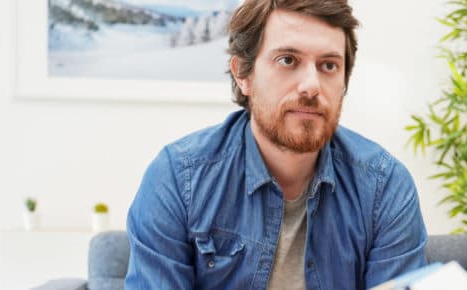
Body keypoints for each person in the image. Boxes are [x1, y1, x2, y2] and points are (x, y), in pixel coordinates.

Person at [124, 0, 428, 289]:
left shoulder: (384, 187)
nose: (311, 85)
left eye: (329, 66)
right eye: (288, 60)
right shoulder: (178, 178)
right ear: (243, 74)